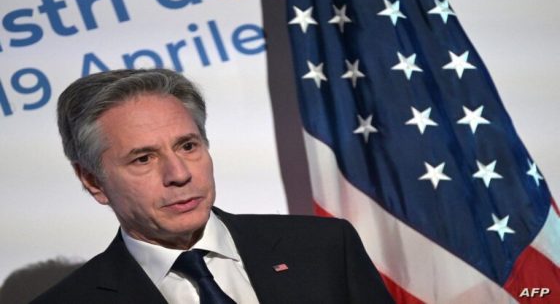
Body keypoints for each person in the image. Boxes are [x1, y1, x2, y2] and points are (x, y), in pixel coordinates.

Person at [31, 68, 394, 304]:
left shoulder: (325, 247)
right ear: (93, 181)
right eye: (143, 158)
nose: (179, 174)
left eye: (188, 146)